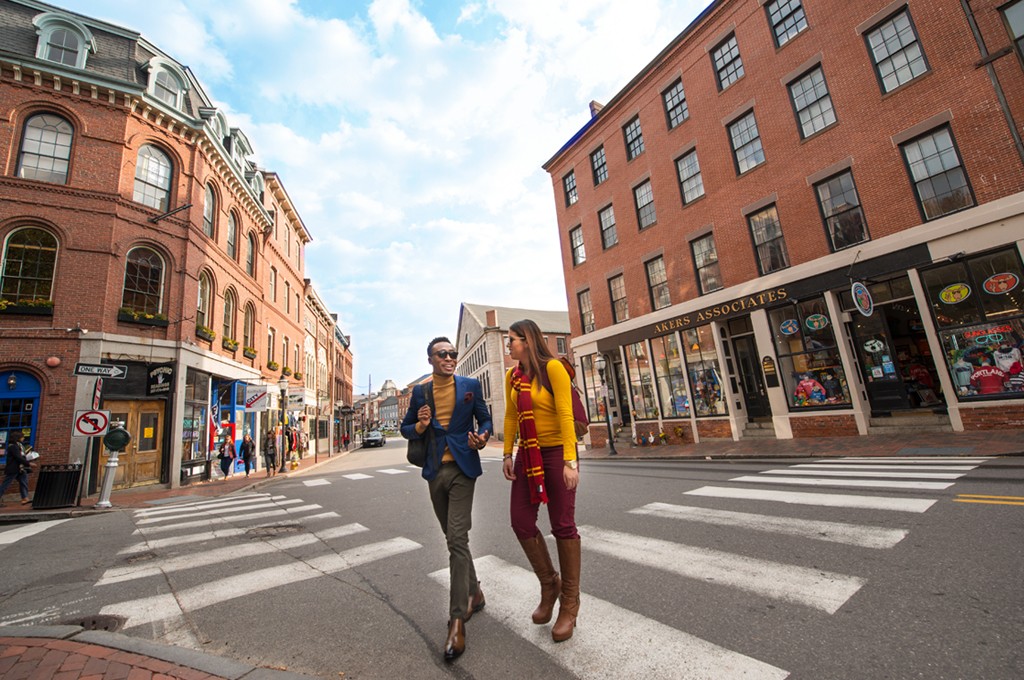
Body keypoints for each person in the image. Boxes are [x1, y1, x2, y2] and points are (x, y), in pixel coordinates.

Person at [400, 336, 492, 662]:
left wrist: (481, 437)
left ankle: (456, 620)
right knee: (455, 540)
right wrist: (422, 426)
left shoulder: (470, 385)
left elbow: (486, 420)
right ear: (431, 360)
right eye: (443, 354)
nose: (450, 358)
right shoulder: (421, 392)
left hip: (463, 470)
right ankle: (476, 592)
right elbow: (405, 428)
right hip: (434, 472)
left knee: (455, 538)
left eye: (453, 353)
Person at [502, 319, 582, 643]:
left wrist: (570, 461)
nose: (508, 346)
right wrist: (507, 453)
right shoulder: (512, 376)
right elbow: (510, 416)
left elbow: (565, 413)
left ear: (527, 341)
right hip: (528, 456)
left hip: (556, 454)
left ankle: (570, 604)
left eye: (512, 341)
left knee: (563, 525)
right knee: (520, 521)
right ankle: (549, 583)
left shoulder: (554, 369)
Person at [0, 431, 33, 505]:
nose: (23, 438)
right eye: (22, 437)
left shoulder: (20, 446)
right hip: (14, 468)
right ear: (18, 438)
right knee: (5, 484)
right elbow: (18, 457)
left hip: (20, 468)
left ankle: (25, 498)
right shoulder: (13, 446)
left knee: (24, 482)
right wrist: (29, 463)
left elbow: (21, 456)